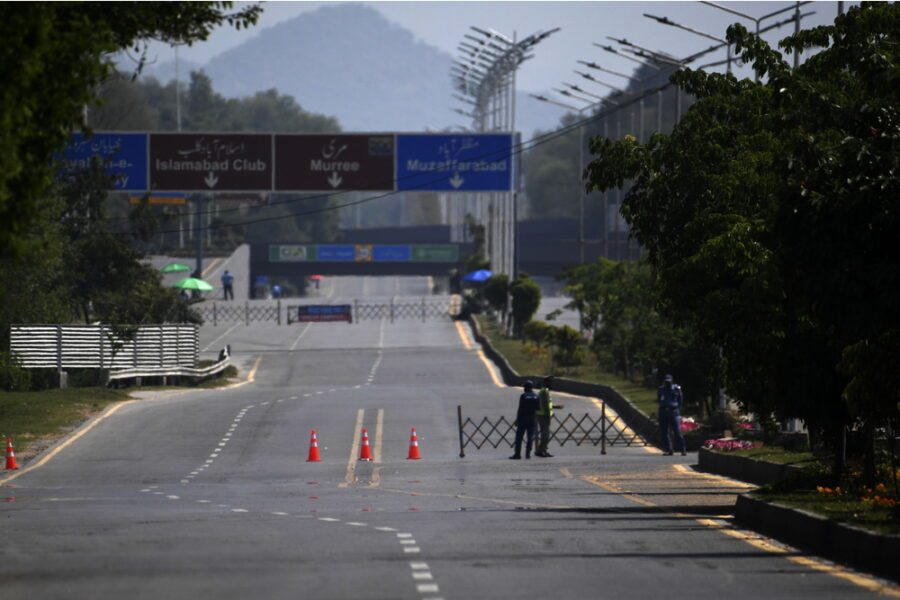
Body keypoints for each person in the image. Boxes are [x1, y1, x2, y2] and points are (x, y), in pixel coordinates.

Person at [510, 380, 540, 460]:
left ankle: (517, 454)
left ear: (526, 388)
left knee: (519, 437)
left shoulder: (523, 396)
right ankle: (528, 454)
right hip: (532, 419)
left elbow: (520, 409)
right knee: (530, 437)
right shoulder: (536, 396)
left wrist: (517, 420)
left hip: (523, 419)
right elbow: (538, 408)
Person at [658, 374, 687, 456]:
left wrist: (676, 407)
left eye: (669, 382)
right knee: (664, 432)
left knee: (677, 431)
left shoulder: (676, 389)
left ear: (672, 382)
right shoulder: (661, 389)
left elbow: (680, 400)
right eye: (666, 382)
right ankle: (668, 449)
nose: (667, 383)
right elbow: (659, 399)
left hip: (673, 411)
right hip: (663, 411)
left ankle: (683, 449)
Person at [535, 376, 563, 457]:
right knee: (545, 434)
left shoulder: (545, 391)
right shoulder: (544, 392)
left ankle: (542, 450)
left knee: (545, 434)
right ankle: (542, 450)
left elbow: (548, 404)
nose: (551, 384)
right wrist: (547, 417)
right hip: (543, 415)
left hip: (543, 415)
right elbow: (545, 406)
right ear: (546, 383)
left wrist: (556, 407)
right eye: (550, 382)